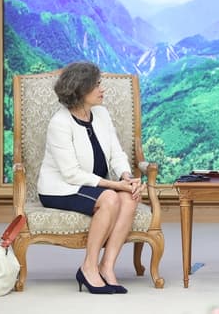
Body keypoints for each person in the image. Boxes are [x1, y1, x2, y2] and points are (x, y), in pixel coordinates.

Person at [38, 62, 145, 294]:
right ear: (80, 89)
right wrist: (116, 185)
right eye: (96, 85)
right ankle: (88, 267)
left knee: (129, 198)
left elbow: (116, 152)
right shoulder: (60, 122)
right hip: (61, 188)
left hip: (92, 185)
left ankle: (107, 267)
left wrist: (127, 177)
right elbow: (71, 173)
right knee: (110, 198)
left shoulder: (101, 114)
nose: (102, 89)